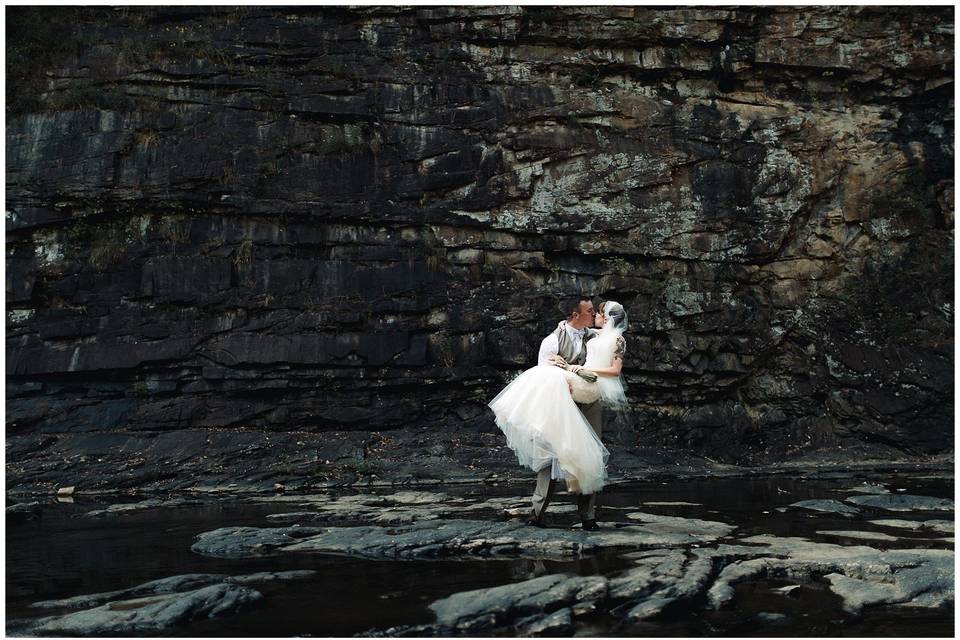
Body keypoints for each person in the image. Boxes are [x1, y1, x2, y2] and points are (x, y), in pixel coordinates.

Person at [487, 296, 629, 531]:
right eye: (589, 311)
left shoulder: (593, 336)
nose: (594, 314)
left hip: (589, 401)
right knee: (551, 456)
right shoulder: (552, 340)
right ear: (576, 315)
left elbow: (611, 346)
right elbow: (544, 376)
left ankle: (588, 516)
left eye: (596, 312)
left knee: (589, 454)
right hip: (560, 404)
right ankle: (537, 512)